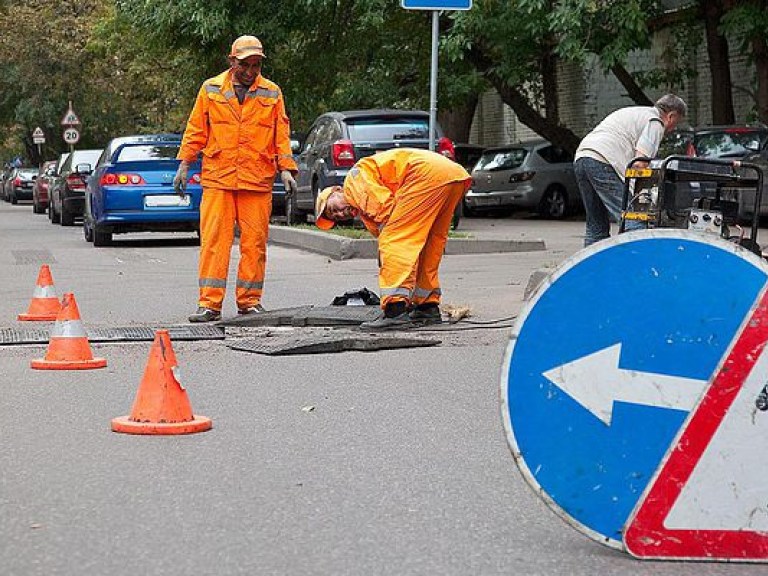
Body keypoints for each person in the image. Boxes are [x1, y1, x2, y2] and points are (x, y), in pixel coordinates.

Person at [175, 35, 298, 322]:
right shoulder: (211, 89)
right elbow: (196, 129)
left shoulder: (272, 92)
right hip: (219, 177)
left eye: (256, 65)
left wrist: (286, 169)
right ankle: (209, 304)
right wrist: (184, 164)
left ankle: (250, 302)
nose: (251, 70)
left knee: (254, 244)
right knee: (214, 242)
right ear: (232, 61)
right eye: (245, 64)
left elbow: (281, 135)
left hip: (256, 178)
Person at [315, 148, 471, 331]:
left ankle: (395, 311)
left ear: (337, 191)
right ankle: (427, 307)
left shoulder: (353, 182)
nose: (340, 214)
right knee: (428, 244)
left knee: (395, 239)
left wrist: (387, 249)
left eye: (334, 208)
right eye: (336, 217)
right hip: (451, 176)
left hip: (425, 176)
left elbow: (387, 214)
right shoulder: (362, 202)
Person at [574, 94, 687, 247]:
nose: (673, 129)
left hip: (582, 156)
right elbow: (640, 164)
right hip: (604, 160)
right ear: (671, 116)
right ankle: (639, 265)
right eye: (676, 123)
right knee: (633, 219)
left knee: (596, 225)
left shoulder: (636, 112)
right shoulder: (655, 122)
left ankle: (590, 269)